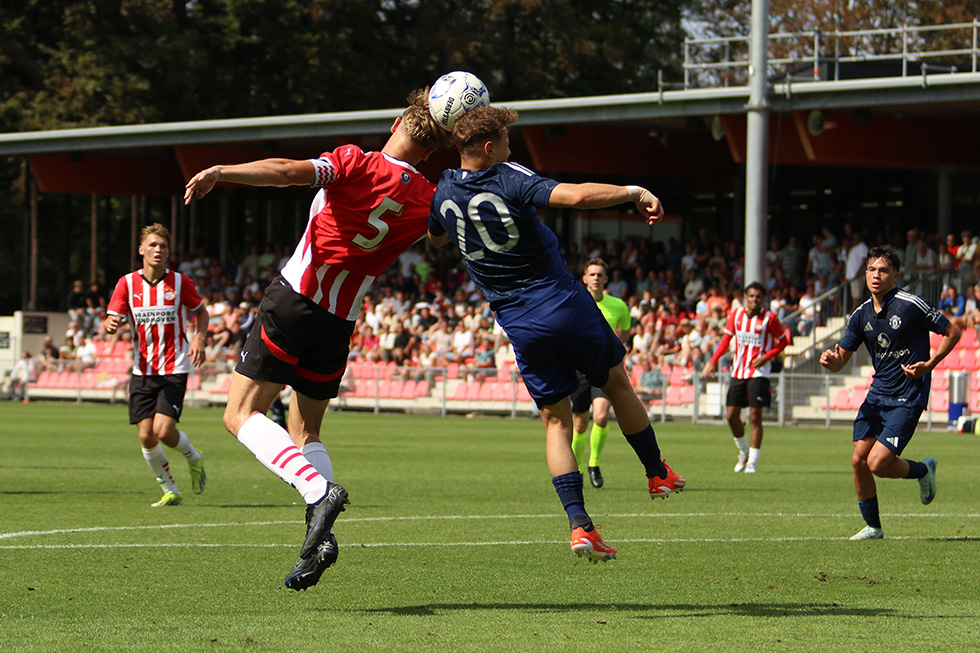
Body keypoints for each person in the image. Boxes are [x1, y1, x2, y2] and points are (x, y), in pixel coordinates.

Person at [184, 87, 448, 590]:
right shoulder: (430, 198)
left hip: (296, 300)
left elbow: (287, 171)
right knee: (307, 434)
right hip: (340, 321)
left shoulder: (356, 162)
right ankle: (318, 539)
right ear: (432, 150)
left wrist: (224, 171)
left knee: (240, 415)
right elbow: (436, 238)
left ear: (396, 122)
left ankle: (317, 492)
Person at [427, 105, 685, 564]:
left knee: (555, 422)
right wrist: (633, 191)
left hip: (519, 324)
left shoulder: (443, 189)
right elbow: (578, 198)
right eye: (506, 139)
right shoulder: (507, 176)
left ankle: (579, 525)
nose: (512, 146)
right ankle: (656, 471)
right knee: (616, 382)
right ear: (488, 148)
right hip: (562, 304)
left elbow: (437, 239)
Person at [819, 246, 960, 540]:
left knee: (878, 463)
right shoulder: (860, 314)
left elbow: (953, 332)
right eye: (871, 270)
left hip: (908, 395)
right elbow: (841, 359)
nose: (876, 276)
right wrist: (831, 363)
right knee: (858, 459)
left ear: (895, 276)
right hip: (876, 396)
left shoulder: (910, 304)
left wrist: (930, 364)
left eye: (883, 271)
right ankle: (873, 527)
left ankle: (923, 471)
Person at [103, 223, 209, 508]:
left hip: (174, 367)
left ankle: (193, 457)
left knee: (163, 431)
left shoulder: (180, 282)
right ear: (141, 250)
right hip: (142, 371)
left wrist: (199, 338)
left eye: (163, 246)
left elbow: (201, 312)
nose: (158, 250)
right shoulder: (126, 283)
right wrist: (110, 323)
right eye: (152, 245)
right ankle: (170, 489)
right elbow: (111, 318)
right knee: (145, 435)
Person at [702, 282, 789, 474]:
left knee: (754, 416)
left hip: (758, 373)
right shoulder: (737, 315)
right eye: (751, 296)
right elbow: (726, 340)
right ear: (745, 297)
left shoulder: (770, 318)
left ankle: (753, 462)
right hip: (738, 371)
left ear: (763, 299)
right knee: (731, 415)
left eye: (758, 296)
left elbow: (784, 341)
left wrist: (767, 356)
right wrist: (712, 362)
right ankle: (743, 453)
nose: (754, 299)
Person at [570, 258, 632, 489]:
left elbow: (625, 327)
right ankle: (575, 468)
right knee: (579, 425)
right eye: (592, 274)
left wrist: (617, 346)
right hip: (579, 369)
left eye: (600, 274)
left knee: (601, 417)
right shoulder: (574, 302)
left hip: (605, 367)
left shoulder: (618, 305)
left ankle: (594, 464)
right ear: (584, 278)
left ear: (606, 279)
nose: (596, 278)